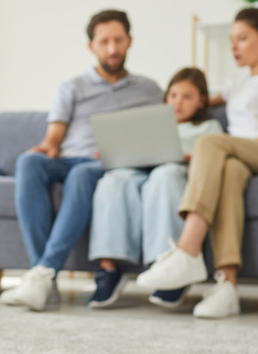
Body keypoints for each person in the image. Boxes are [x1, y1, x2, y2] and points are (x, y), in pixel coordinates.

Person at [136, 8, 258, 318]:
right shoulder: (236, 87)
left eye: (242, 38)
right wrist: (177, 102)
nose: (234, 46)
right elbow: (197, 98)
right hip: (241, 160)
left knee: (211, 143)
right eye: (231, 40)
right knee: (228, 170)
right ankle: (227, 286)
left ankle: (187, 250)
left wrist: (235, 147)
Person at [0, 10, 163, 312]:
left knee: (83, 174)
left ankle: (43, 274)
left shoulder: (150, 89)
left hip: (109, 164)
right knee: (28, 163)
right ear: (92, 46)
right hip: (69, 158)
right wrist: (45, 147)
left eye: (118, 40)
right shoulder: (72, 87)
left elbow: (165, 129)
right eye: (104, 41)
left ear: (129, 41)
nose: (112, 49)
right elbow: (54, 138)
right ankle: (43, 275)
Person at [87, 67, 223, 309]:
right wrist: (114, 152)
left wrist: (191, 155)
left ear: (202, 100)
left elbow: (214, 159)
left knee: (163, 178)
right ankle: (109, 268)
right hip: (139, 168)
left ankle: (169, 270)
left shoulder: (208, 128)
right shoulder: (152, 122)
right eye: (173, 95)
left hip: (175, 170)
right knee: (113, 181)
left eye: (187, 96)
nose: (178, 102)